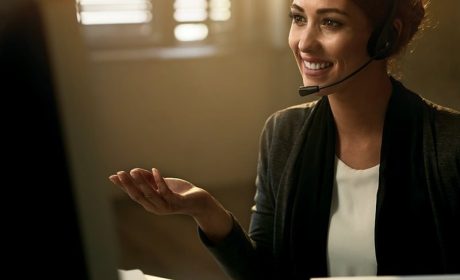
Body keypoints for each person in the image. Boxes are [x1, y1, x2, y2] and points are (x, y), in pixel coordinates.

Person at [109, 0, 460, 279]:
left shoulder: (450, 143)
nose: (304, 43)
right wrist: (205, 210)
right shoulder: (284, 133)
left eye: (331, 22)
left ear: (387, 35)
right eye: (298, 18)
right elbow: (264, 273)